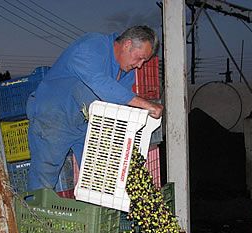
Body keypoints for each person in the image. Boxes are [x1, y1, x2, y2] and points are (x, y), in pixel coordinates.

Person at [26, 25, 164, 192]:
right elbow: (100, 83)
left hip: (86, 125)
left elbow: (118, 104)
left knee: (98, 178)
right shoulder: (93, 46)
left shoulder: (125, 74)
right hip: (54, 117)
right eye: (140, 58)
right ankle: (34, 215)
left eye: (144, 61)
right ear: (127, 44)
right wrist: (147, 106)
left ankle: (96, 215)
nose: (140, 65)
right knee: (44, 177)